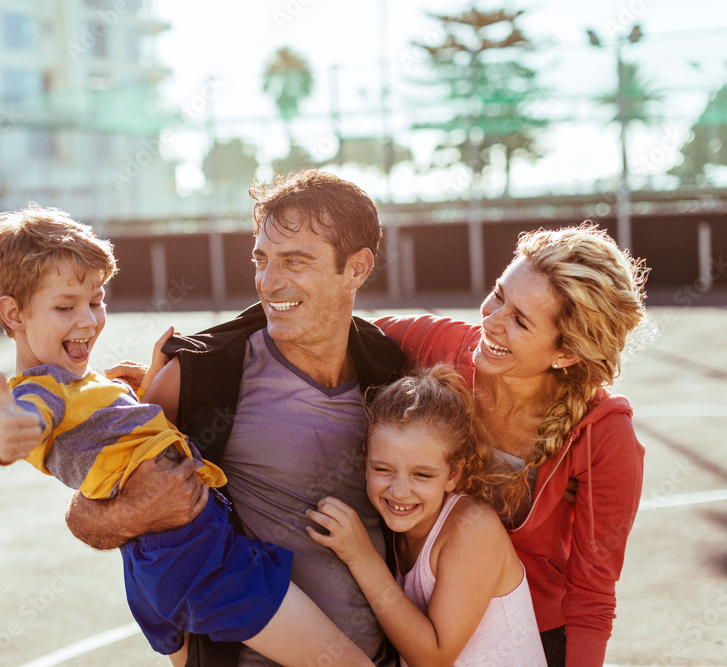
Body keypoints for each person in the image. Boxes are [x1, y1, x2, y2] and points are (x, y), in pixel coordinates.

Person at [0, 204, 373, 667]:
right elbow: (21, 417)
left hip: (168, 555)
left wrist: (139, 398)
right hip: (190, 552)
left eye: (97, 300)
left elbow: (113, 434)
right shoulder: (43, 392)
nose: (87, 321)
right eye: (65, 307)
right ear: (14, 313)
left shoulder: (83, 385)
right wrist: (1, 431)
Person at [57, 170, 408, 665]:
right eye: (261, 259)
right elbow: (88, 515)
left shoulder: (389, 371)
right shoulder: (201, 375)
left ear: (357, 267)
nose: (270, 280)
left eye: (295, 260)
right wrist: (132, 513)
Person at [374, 222, 649, 667]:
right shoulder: (443, 347)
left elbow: (592, 596)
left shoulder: (604, 434)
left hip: (534, 638)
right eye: (500, 294)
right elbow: (339, 331)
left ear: (567, 353)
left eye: (520, 320)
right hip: (420, 615)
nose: (491, 321)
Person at [307, 365, 547, 666]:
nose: (399, 491)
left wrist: (361, 557)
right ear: (365, 459)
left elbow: (434, 657)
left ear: (453, 474)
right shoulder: (392, 527)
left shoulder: (473, 528)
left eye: (422, 475)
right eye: (383, 469)